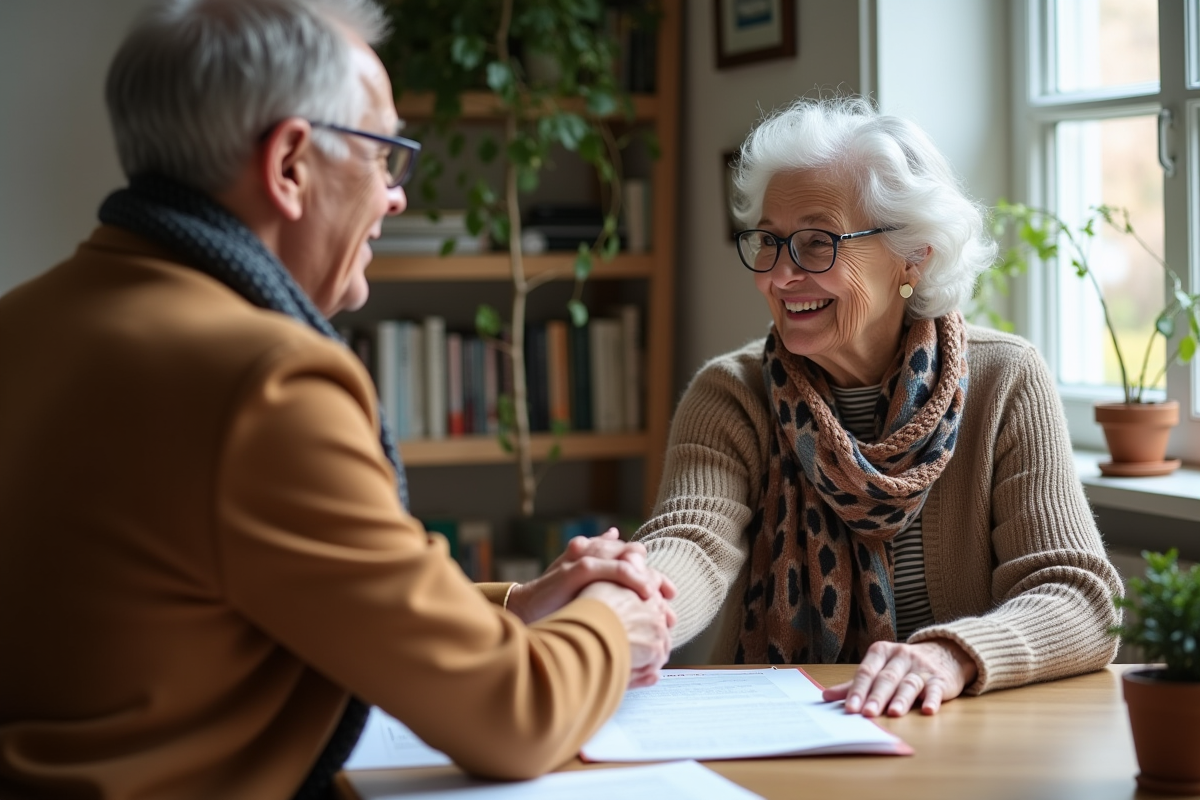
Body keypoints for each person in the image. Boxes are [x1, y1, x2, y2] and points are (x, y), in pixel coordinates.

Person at [0, 1, 675, 798]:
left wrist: (515, 606)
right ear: (290, 163)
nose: (395, 197)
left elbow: (230, 598)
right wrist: (611, 622)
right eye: (383, 155)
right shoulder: (267, 381)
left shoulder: (25, 321)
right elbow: (513, 717)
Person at [634, 95, 1122, 720]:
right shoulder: (733, 394)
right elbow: (690, 543)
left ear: (914, 254)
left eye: (817, 243)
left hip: (952, 732)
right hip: (776, 729)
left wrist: (951, 656)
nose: (779, 276)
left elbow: (1081, 596)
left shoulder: (1005, 380)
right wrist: (622, 605)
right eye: (769, 241)